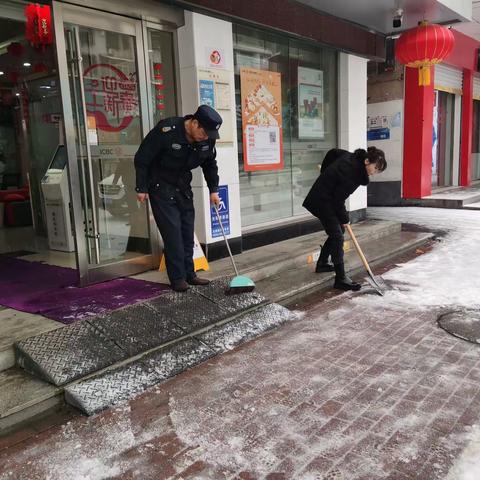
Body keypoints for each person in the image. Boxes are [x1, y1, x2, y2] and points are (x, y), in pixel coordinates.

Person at [134, 105, 222, 292]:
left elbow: (209, 164)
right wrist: (141, 187)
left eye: (210, 134)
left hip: (183, 186)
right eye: (204, 132)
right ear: (194, 123)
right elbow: (142, 158)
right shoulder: (167, 130)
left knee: (187, 232)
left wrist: (213, 189)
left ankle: (190, 274)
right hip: (160, 186)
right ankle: (178, 278)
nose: (206, 137)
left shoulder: (207, 139)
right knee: (173, 234)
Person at [303, 146, 387, 291]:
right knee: (337, 236)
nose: (375, 172)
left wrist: (325, 173)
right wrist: (345, 219)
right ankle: (341, 278)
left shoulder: (351, 157)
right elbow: (338, 200)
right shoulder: (353, 174)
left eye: (379, 170)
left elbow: (333, 152)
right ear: (367, 161)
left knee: (338, 232)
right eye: (376, 167)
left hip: (325, 197)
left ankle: (322, 263)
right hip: (322, 200)